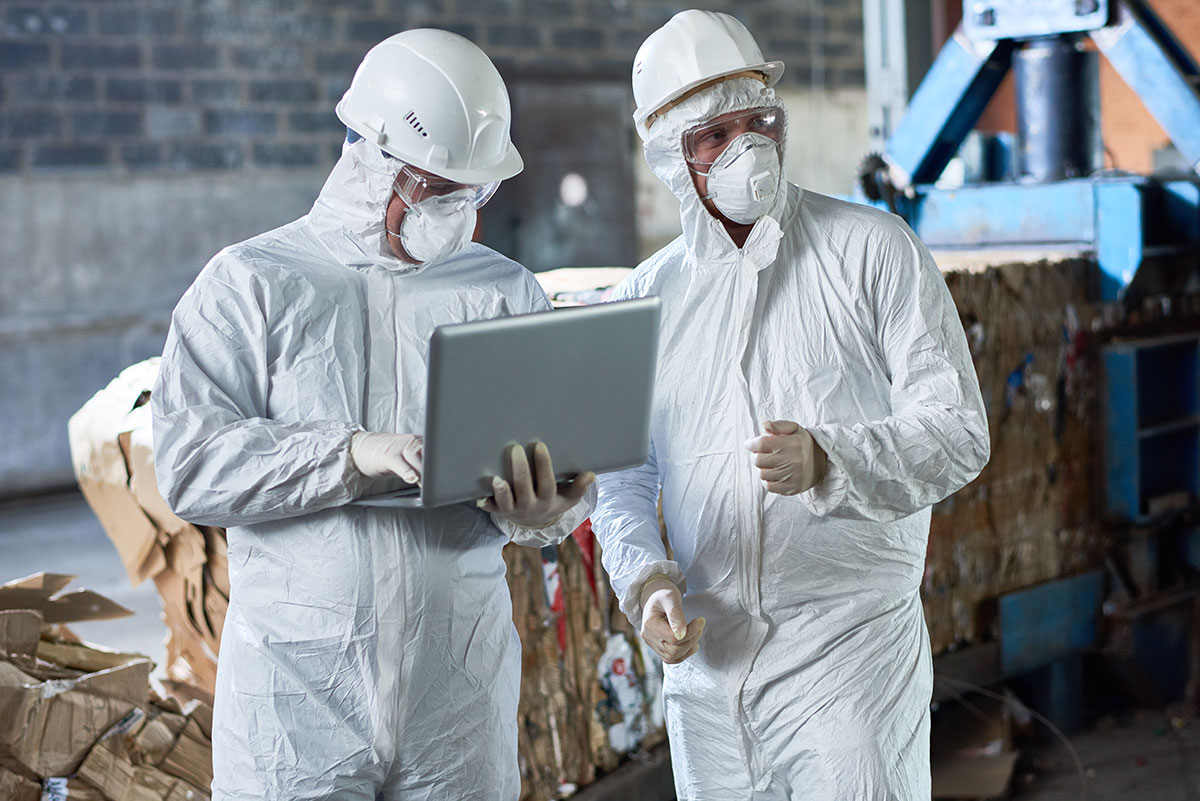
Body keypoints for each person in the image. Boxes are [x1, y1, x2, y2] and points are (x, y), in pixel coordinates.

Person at [152, 29, 595, 801]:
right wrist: (354, 454)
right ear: (370, 157)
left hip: (457, 693)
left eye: (473, 193)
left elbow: (553, 473)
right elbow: (192, 465)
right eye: (435, 187)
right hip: (297, 701)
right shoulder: (252, 284)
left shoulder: (502, 290)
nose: (458, 213)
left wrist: (546, 507)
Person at [591, 10, 990, 800]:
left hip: (848, 655)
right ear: (674, 159)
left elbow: (958, 432)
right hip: (709, 669)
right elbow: (621, 474)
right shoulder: (645, 297)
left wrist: (831, 458)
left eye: (760, 122)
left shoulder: (872, 249)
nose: (750, 149)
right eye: (717, 135)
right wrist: (645, 582)